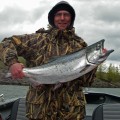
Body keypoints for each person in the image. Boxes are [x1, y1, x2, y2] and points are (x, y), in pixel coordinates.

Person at [0, 1, 97, 120]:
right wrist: (13, 63)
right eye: (58, 14)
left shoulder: (80, 46)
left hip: (70, 112)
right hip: (39, 111)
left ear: (71, 18)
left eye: (66, 14)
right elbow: (7, 42)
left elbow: (86, 82)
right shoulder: (37, 40)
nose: (62, 18)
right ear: (52, 18)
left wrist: (95, 63)